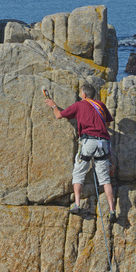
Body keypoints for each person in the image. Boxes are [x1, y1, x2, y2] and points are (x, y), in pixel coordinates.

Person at [45, 83, 116, 223]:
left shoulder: (79, 105)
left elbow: (59, 115)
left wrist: (53, 105)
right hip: (103, 143)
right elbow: (107, 124)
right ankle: (112, 210)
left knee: (79, 172)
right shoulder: (101, 105)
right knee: (105, 179)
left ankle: (77, 204)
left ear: (83, 94)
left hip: (88, 142)